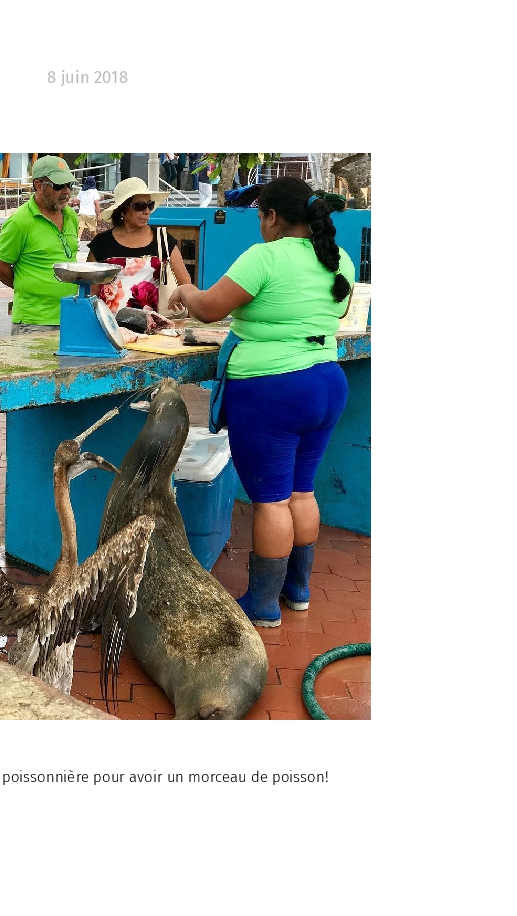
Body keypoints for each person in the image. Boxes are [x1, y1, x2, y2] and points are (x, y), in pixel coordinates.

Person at [168, 176, 354, 628]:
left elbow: (208, 308)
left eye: (259, 216)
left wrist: (184, 287)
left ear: (272, 216)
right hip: (327, 382)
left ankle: (264, 604)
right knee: (301, 491)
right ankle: (298, 590)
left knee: (271, 501)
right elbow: (339, 310)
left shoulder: (265, 257)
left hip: (273, 391)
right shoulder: (338, 257)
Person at [86, 177, 191, 330]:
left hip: (156, 329)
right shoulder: (101, 243)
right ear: (123, 209)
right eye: (140, 206)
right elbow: (91, 291)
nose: (147, 211)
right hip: (109, 329)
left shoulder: (163, 240)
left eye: (150, 205)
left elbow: (185, 283)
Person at [0, 155, 80, 334]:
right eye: (58, 186)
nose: (66, 192)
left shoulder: (71, 216)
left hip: (70, 317)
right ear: (39, 186)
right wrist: (29, 288)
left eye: (69, 185)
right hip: (33, 321)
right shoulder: (20, 222)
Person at [74, 175, 101, 242]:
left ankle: (78, 240)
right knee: (93, 230)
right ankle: (97, 242)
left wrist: (80, 208)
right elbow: (96, 204)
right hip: (91, 214)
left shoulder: (81, 190)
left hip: (82, 213)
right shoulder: (94, 191)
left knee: (81, 228)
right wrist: (99, 215)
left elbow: (78, 202)